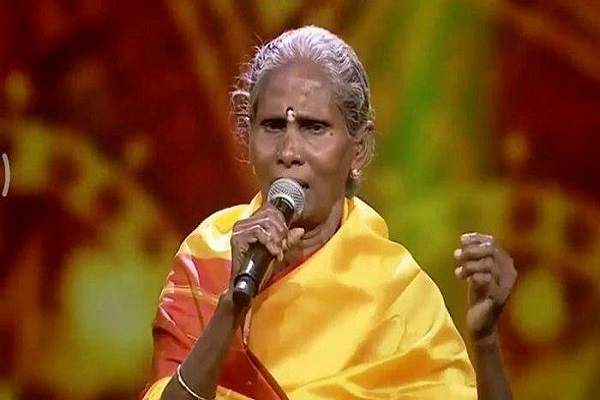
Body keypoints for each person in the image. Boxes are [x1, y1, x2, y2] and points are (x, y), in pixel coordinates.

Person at [141, 26, 516, 400]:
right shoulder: (207, 256)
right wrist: (232, 304)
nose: (289, 151)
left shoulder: (396, 294)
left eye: (314, 128)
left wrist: (485, 342)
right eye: (273, 126)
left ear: (359, 149)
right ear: (248, 135)